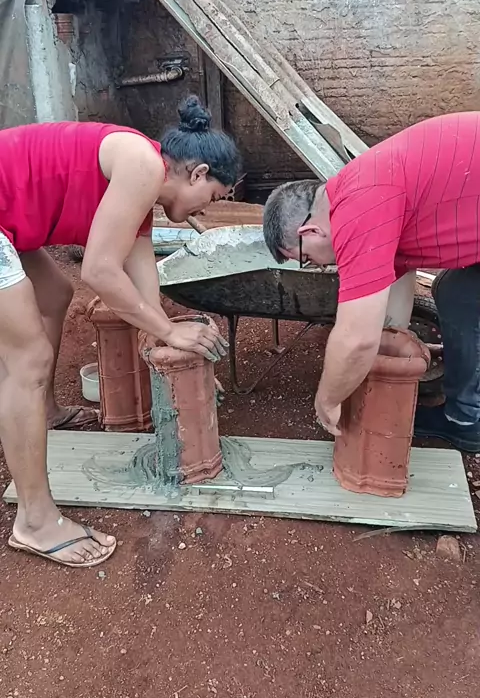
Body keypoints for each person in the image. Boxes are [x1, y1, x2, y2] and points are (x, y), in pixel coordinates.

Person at [0, 96, 241, 568]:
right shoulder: (142, 166)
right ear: (198, 173)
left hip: (10, 217)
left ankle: (42, 411)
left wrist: (168, 343)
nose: (207, 210)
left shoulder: (144, 184)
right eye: (214, 197)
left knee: (53, 295)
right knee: (28, 359)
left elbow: (140, 277)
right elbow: (99, 271)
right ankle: (35, 521)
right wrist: (169, 331)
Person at [263, 111, 480, 453]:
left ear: (311, 231)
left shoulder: (358, 211)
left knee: (464, 297)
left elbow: (357, 338)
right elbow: (394, 292)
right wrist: (395, 346)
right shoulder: (355, 193)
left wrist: (327, 400)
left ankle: (467, 420)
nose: (315, 266)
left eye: (304, 258)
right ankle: (468, 413)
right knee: (455, 293)